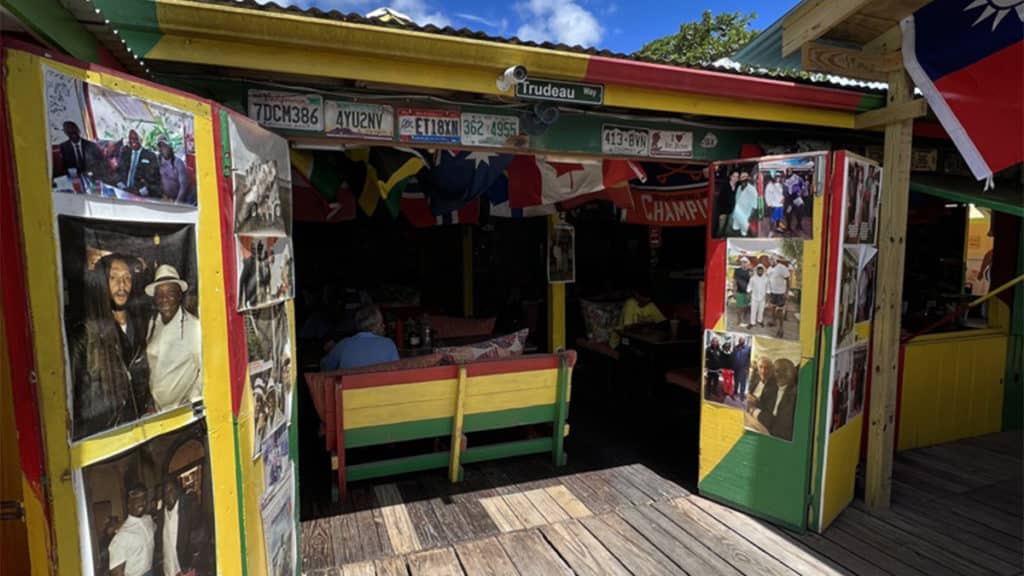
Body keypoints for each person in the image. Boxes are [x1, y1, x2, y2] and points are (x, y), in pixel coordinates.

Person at [71, 254, 152, 439]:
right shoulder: (85, 335)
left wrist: (148, 406)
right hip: (105, 441)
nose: (121, 286)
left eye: (127, 278)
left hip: (139, 433)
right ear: (101, 283)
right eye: (113, 278)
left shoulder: (141, 327)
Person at [145, 265, 202, 412]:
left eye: (170, 293)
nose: (164, 299)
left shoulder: (193, 327)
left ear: (179, 295)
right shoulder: (152, 324)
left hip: (182, 415)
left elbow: (205, 371)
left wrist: (192, 400)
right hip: (156, 413)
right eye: (159, 294)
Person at [321, 304, 399, 371]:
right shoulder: (388, 344)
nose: (384, 326)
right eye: (382, 323)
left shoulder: (344, 345)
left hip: (349, 388)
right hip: (379, 388)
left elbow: (325, 367)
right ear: (376, 326)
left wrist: (331, 350)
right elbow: (397, 372)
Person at [160, 478, 207, 576]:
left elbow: (201, 536)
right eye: (166, 491)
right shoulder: (161, 516)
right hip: (169, 568)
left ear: (177, 491)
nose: (169, 494)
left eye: (172, 490)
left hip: (186, 568)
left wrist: (192, 562)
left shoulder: (189, 507)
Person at [108, 483, 156, 576]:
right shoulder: (121, 536)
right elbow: (116, 573)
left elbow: (155, 527)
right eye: (137, 499)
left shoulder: (148, 520)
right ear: (129, 503)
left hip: (151, 571)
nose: (143, 502)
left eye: (144, 498)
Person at [751, 358, 798, 441]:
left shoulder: (794, 395)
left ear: (792, 373)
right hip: (764, 429)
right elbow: (762, 406)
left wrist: (754, 411)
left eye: (784, 371)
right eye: (776, 371)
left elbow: (780, 427)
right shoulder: (772, 386)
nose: (779, 375)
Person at [609, 284, 666, 348]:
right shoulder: (630, 303)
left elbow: (663, 322)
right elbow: (628, 328)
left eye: (648, 299)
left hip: (642, 340)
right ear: (637, 295)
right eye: (644, 298)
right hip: (621, 340)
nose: (646, 301)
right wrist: (649, 325)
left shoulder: (650, 304)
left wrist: (651, 326)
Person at [116, 129, 161, 197]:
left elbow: (155, 178)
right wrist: (122, 188)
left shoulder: (150, 156)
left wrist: (140, 192)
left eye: (135, 138)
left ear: (141, 139)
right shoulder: (124, 153)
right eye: (130, 138)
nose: (133, 141)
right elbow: (118, 172)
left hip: (141, 194)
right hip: (123, 191)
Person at [156, 136, 193, 205]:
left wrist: (177, 203)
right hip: (165, 199)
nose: (162, 149)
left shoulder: (178, 163)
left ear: (170, 147)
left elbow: (183, 186)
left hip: (179, 199)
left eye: (164, 146)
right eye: (160, 147)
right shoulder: (158, 161)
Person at [766, 258, 791, 338]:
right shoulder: (769, 269)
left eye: (772, 259)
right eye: (769, 260)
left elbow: (788, 280)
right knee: (772, 308)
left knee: (780, 311)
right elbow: (769, 281)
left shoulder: (782, 268)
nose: (771, 261)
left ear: (775, 259)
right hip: (773, 293)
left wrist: (786, 292)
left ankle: (781, 328)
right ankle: (774, 322)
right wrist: (768, 293)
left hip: (781, 293)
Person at [730, 172, 757, 236]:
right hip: (737, 212)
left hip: (746, 213)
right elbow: (736, 198)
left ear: (747, 178)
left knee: (743, 233)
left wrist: (751, 216)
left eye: (745, 176)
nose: (743, 178)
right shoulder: (739, 187)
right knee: (735, 229)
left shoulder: (752, 189)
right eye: (741, 177)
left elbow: (754, 204)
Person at [716, 170, 739, 236]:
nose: (735, 178)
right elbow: (719, 200)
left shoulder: (738, 187)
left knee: (729, 230)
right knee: (721, 230)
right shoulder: (725, 186)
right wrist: (721, 212)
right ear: (730, 177)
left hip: (733, 212)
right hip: (724, 211)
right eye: (734, 176)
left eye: (737, 177)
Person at [747, 264, 769, 328]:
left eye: (761, 270)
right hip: (754, 297)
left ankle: (760, 321)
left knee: (761, 310)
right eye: (758, 270)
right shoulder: (753, 278)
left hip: (763, 298)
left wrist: (767, 298)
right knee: (753, 310)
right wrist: (748, 294)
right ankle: (752, 323)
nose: (759, 271)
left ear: (763, 271)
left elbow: (768, 289)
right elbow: (749, 286)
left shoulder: (766, 279)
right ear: (756, 271)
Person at [733, 257, 752, 326]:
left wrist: (750, 293)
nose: (743, 264)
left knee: (746, 306)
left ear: (748, 263)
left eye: (745, 262)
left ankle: (745, 317)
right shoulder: (737, 270)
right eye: (742, 262)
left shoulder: (750, 271)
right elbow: (734, 281)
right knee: (739, 307)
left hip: (747, 292)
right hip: (739, 291)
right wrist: (734, 291)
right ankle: (739, 320)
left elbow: (752, 282)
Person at [732, 336, 751, 401]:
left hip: (743, 369)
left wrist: (747, 368)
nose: (740, 341)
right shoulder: (735, 348)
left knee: (743, 383)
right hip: (736, 368)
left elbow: (749, 359)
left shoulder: (748, 348)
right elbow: (733, 357)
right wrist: (732, 367)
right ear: (738, 341)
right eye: (739, 340)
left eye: (742, 340)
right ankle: (735, 392)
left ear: (744, 341)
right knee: (736, 382)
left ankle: (742, 396)